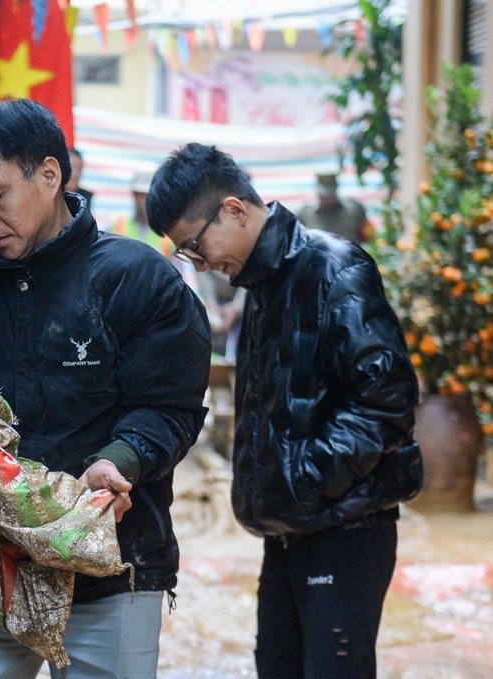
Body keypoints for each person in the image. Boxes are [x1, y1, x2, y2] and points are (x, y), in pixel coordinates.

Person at [0, 98, 211, 679]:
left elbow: (170, 407)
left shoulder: (136, 278)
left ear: (50, 174)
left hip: (113, 563)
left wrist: (120, 461)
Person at [145, 143, 423, 679]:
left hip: (344, 526)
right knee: (277, 666)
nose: (199, 264)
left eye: (196, 246)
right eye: (187, 255)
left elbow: (388, 400)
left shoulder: (333, 269)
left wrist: (303, 480)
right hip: (290, 526)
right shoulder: (262, 284)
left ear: (233, 208)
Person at [296, 172, 370, 244]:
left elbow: (369, 237)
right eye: (323, 195)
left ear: (335, 189)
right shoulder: (304, 215)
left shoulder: (355, 210)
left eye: (329, 194)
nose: (327, 198)